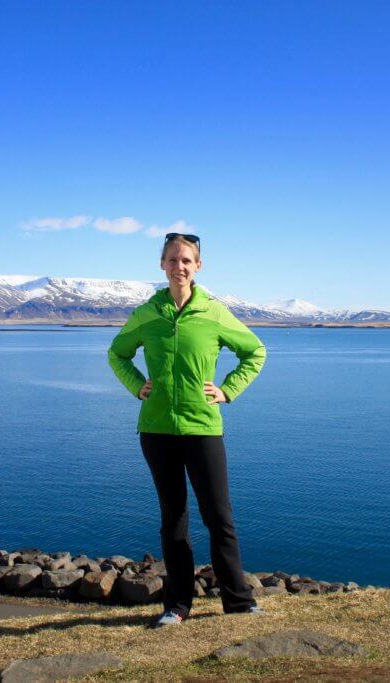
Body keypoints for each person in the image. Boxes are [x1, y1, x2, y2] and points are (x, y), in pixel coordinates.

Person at [107, 232, 267, 628]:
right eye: (173, 259)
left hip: (202, 428)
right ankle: (177, 606)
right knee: (173, 519)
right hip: (157, 430)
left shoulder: (213, 312)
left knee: (219, 517)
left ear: (197, 267)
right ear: (162, 264)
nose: (179, 266)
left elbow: (255, 351)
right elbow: (117, 353)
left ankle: (238, 601)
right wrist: (136, 385)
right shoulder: (147, 313)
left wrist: (228, 390)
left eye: (187, 260)